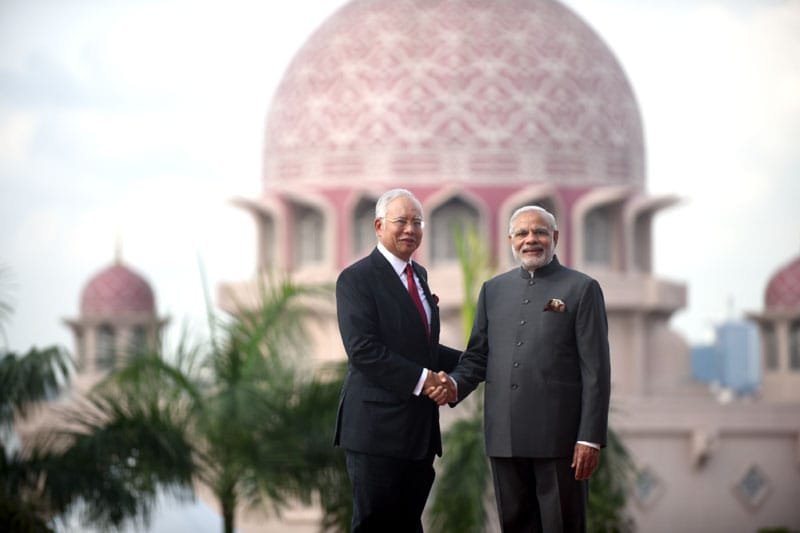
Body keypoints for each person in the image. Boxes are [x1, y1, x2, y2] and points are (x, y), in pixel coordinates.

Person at [429, 205, 611, 533]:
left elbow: (596, 370)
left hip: (561, 441)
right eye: (522, 233)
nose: (532, 239)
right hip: (505, 437)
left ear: (554, 237)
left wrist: (590, 438)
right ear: (510, 240)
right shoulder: (493, 290)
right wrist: (454, 385)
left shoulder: (581, 288)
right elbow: (477, 357)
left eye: (540, 232)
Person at [334, 188, 461, 532]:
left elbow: (424, 348)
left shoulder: (418, 275)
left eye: (417, 222)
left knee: (408, 525)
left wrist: (476, 362)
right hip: (376, 431)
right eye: (401, 221)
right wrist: (426, 381)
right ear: (378, 225)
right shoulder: (356, 279)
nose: (410, 229)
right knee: (375, 525)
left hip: (417, 433)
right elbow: (363, 350)